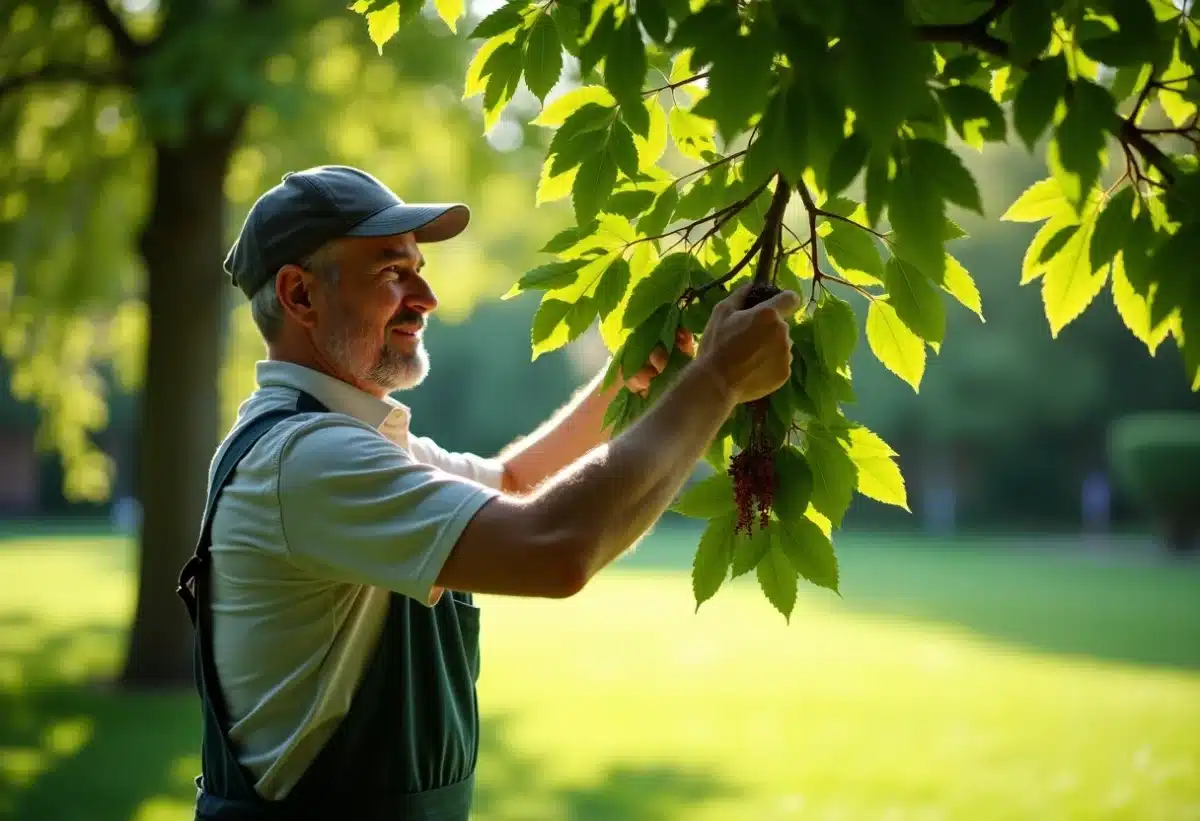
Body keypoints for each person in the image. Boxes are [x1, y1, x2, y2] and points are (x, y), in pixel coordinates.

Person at [178, 165, 799, 820]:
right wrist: (718, 379)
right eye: (394, 272)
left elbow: (515, 486)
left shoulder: (352, 445)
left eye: (419, 267)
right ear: (300, 295)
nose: (426, 296)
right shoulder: (307, 462)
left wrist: (626, 383)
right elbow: (552, 546)